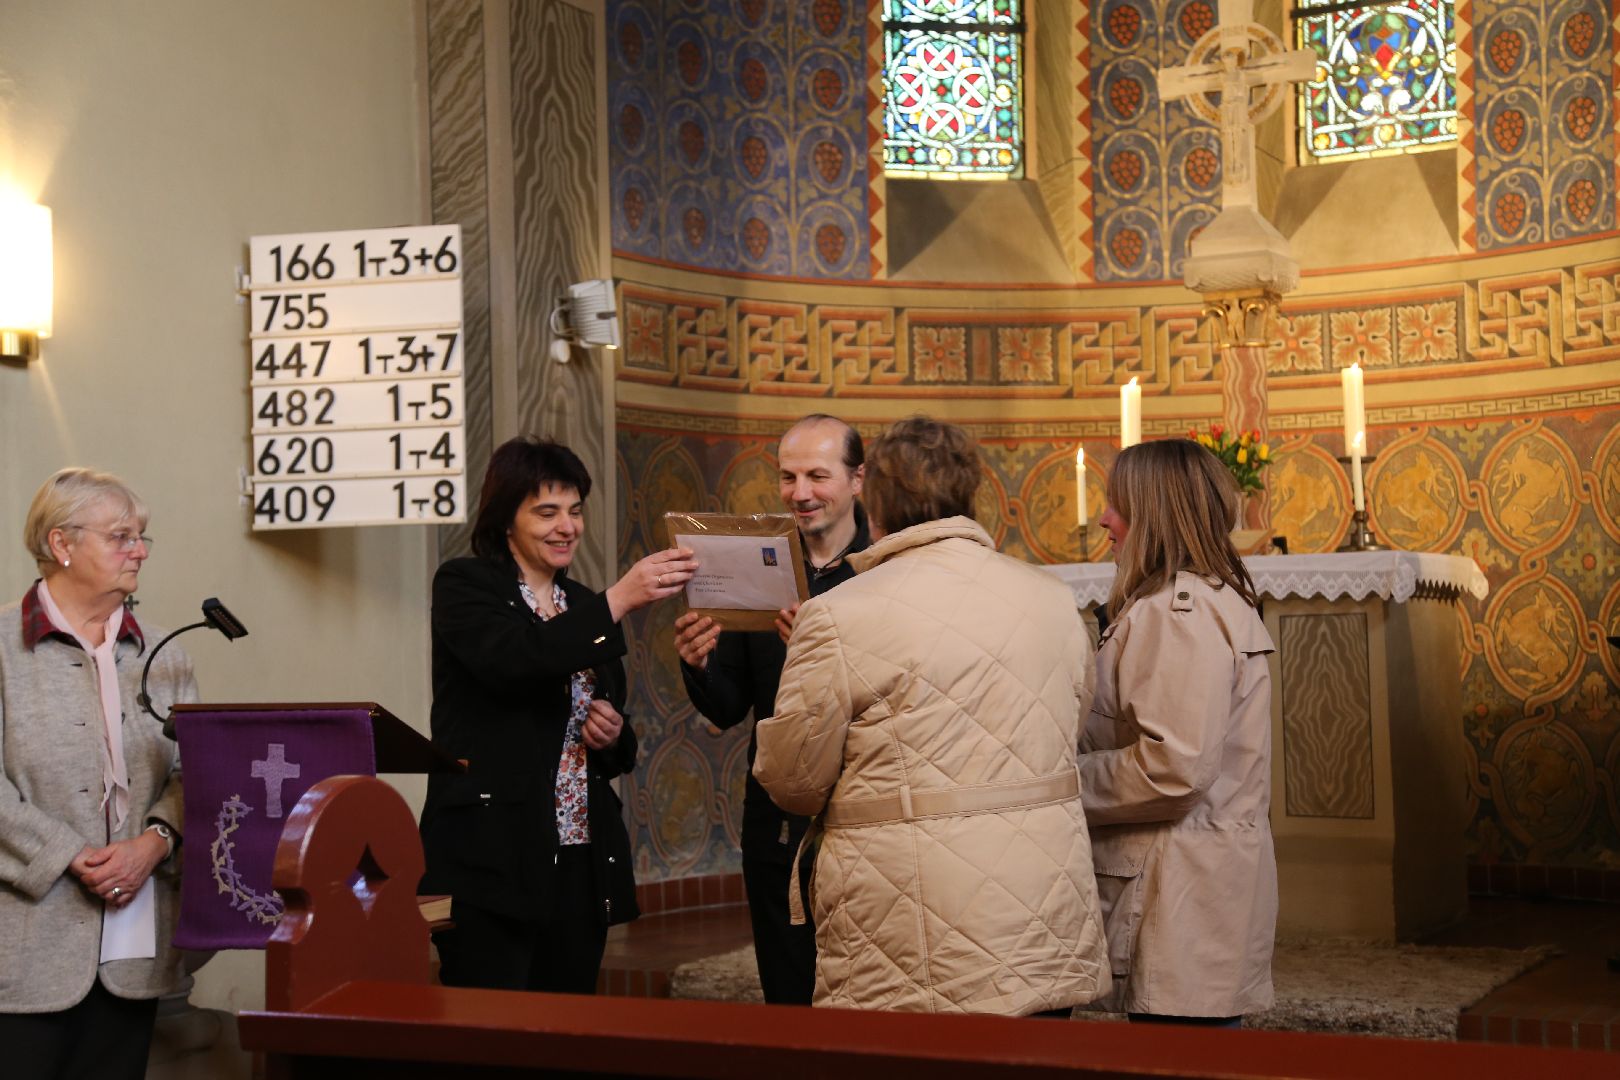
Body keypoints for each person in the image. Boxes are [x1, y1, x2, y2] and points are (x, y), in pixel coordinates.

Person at [753, 416, 1110, 1014]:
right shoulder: (1052, 599)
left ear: (878, 501)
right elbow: (1065, 733)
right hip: (1042, 896)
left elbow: (792, 782)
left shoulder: (838, 615)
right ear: (968, 491)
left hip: (913, 917)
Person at [419, 436, 697, 993]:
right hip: (491, 853)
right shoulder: (466, 585)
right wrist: (619, 599)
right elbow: (514, 661)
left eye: (574, 511)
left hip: (577, 855)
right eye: (546, 512)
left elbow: (619, 748)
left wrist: (612, 734)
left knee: (567, 1022)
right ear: (506, 520)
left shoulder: (581, 604)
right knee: (490, 1029)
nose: (566, 526)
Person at [0, 468, 194, 1080]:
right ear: (62, 545)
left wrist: (154, 841)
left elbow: (194, 773)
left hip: (134, 945)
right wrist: (68, 854)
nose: (138, 550)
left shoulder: (166, 655)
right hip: (24, 946)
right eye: (120, 537)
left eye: (141, 537)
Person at [672, 413, 870, 1005]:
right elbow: (730, 705)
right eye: (788, 477)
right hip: (776, 813)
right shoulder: (756, 562)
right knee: (788, 984)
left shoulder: (887, 568)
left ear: (857, 479)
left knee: (865, 990)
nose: (800, 493)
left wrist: (815, 655)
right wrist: (699, 664)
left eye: (817, 475)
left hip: (866, 805)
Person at [1082, 438, 1278, 1027]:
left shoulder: (1177, 613)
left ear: (1154, 512)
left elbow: (1174, 768)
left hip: (1178, 893)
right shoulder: (1195, 602)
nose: (1103, 519)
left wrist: (1058, 781)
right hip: (1193, 881)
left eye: (1117, 504)